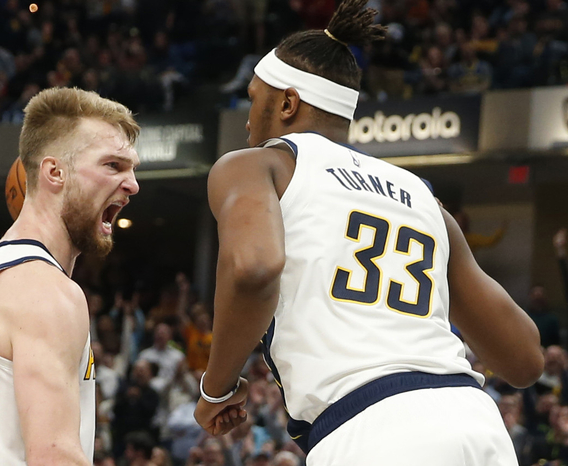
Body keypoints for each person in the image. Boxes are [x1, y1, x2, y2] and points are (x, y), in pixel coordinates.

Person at [193, 1, 544, 465]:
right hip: (476, 423)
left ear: (287, 103)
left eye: (254, 98)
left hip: (369, 429)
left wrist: (216, 389)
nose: (247, 117)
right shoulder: (422, 197)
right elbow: (525, 359)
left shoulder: (258, 165)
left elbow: (254, 269)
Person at [0, 87, 141, 465]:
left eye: (132, 168)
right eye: (113, 165)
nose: (133, 184)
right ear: (54, 172)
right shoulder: (44, 290)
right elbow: (54, 456)